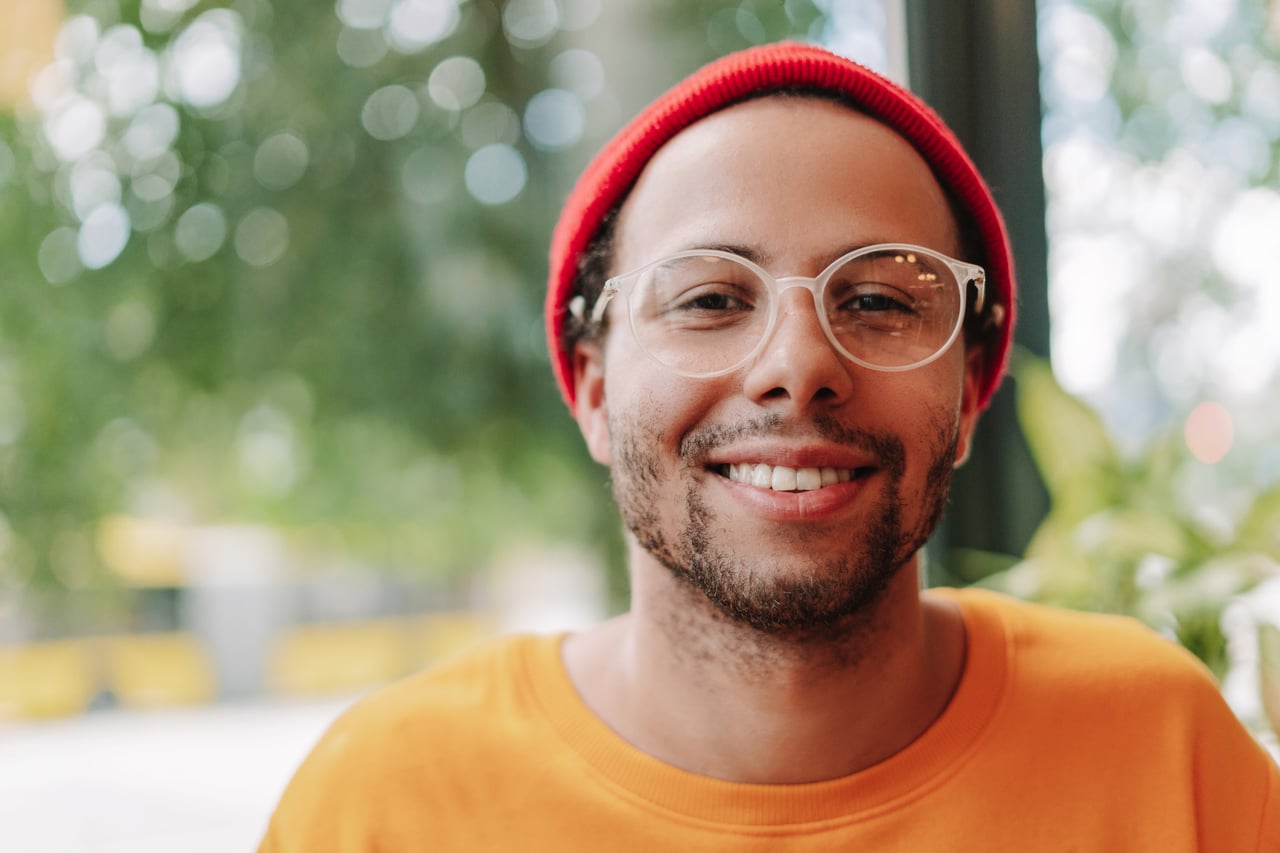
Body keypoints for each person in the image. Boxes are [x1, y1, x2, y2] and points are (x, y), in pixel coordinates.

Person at [259, 42, 1280, 850]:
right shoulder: (384, 802)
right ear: (593, 388)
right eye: (709, 298)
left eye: (878, 299)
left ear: (971, 392)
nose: (797, 364)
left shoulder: (1163, 747)